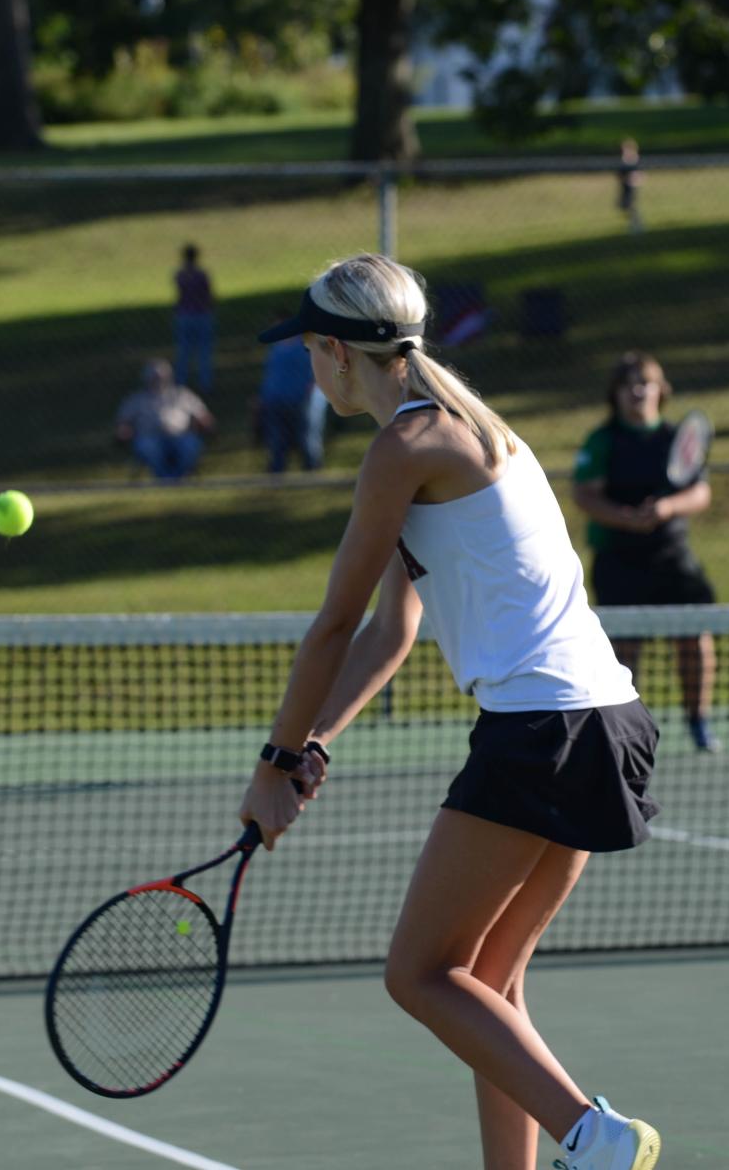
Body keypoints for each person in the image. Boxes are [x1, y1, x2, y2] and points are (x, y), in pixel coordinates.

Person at [241, 255, 663, 1170]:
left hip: (541, 731)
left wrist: (272, 765)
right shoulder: (473, 427)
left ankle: (594, 1138)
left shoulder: (403, 448)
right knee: (490, 984)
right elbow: (391, 631)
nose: (310, 370)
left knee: (419, 973)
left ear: (337, 354)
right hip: (606, 720)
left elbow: (332, 625)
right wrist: (313, 741)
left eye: (311, 352)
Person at [571, 353, 720, 754]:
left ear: (660, 390)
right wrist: (624, 517)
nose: (637, 391)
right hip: (618, 559)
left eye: (645, 382)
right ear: (615, 395)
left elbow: (700, 491)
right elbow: (584, 494)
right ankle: (624, 731)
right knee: (622, 650)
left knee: (695, 637)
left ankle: (699, 722)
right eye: (628, 384)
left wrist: (667, 508)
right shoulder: (603, 440)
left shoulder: (677, 439)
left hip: (672, 557)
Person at [115, 359, 217, 481]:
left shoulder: (182, 395)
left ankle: (179, 479)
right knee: (149, 448)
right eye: (155, 377)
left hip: (180, 436)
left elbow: (203, 416)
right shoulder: (136, 400)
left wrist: (205, 424)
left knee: (190, 445)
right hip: (149, 437)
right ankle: (165, 480)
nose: (158, 380)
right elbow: (123, 423)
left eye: (162, 377)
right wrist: (124, 432)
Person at [258, 321, 326, 473]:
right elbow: (269, 376)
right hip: (276, 400)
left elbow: (315, 373)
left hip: (301, 399)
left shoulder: (305, 347)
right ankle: (278, 468)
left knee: (306, 435)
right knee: (277, 438)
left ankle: (312, 466)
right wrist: (263, 397)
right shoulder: (275, 349)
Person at [172, 242, 216, 394]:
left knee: (183, 351)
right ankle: (205, 384)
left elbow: (179, 295)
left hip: (184, 314)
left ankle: (180, 383)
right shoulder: (202, 274)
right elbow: (209, 295)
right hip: (202, 314)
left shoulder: (180, 275)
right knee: (204, 351)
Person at [616, 138, 645, 234]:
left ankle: (637, 225)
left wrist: (635, 179)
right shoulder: (623, 163)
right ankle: (635, 223)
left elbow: (640, 176)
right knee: (624, 207)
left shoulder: (634, 162)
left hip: (631, 189)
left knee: (631, 207)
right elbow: (619, 176)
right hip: (624, 188)